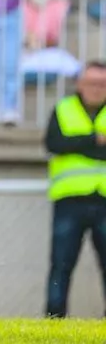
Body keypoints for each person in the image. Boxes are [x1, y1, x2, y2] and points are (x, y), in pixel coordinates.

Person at [44, 60, 106, 318]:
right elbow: (55, 143)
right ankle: (54, 320)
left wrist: (78, 144)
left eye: (102, 84)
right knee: (61, 264)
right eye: (92, 83)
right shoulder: (63, 108)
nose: (96, 89)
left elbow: (68, 144)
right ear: (79, 84)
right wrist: (95, 140)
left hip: (103, 199)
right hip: (70, 200)